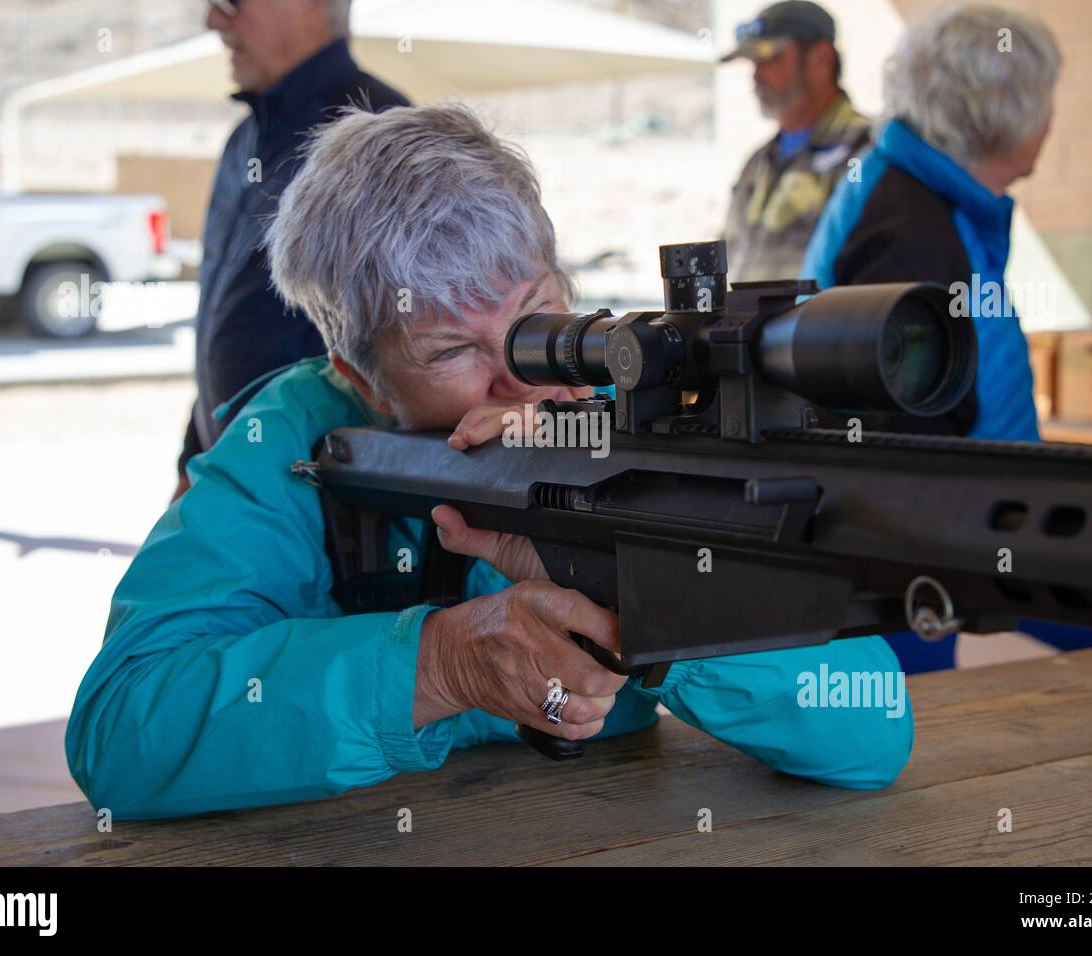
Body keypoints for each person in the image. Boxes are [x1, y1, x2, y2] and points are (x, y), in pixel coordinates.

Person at [65, 104, 914, 820]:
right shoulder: (291, 444)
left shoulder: (629, 418)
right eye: (450, 351)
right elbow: (123, 729)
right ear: (358, 376)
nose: (520, 379)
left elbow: (872, 728)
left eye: (540, 317)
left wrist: (668, 611)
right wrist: (439, 663)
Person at [804, 4, 1092, 671]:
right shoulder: (908, 231)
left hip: (983, 532)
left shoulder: (929, 198)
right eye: (1046, 97)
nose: (1051, 115)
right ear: (1003, 112)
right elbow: (896, 458)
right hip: (940, 568)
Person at [174, 0, 409, 501]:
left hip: (332, 506)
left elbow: (421, 338)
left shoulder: (381, 135)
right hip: (236, 483)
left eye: (229, 3)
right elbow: (225, 319)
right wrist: (192, 460)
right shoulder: (243, 139)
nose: (213, 21)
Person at [719, 1, 872, 284]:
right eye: (753, 63)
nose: (756, 75)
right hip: (749, 328)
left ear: (821, 59)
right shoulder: (758, 162)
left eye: (770, 59)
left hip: (824, 328)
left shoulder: (866, 153)